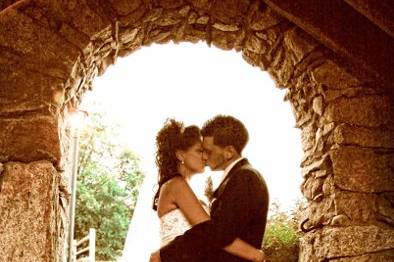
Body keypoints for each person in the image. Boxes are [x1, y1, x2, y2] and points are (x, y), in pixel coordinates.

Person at [151, 118, 266, 262]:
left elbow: (213, 234)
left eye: (206, 151)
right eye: (200, 151)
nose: (205, 157)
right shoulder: (176, 185)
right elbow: (210, 231)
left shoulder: (178, 186)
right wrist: (254, 254)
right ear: (180, 155)